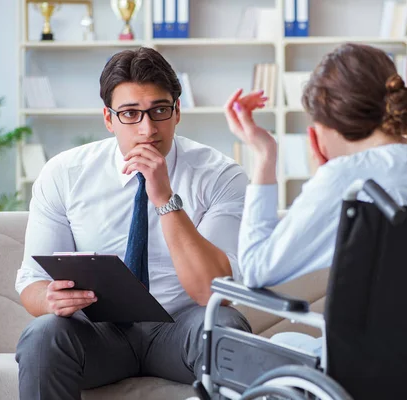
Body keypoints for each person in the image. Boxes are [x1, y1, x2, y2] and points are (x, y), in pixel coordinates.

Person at [14, 47, 252, 400]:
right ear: (108, 119)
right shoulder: (65, 174)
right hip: (98, 333)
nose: (147, 129)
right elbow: (31, 284)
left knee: (225, 330)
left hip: (182, 328)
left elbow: (212, 292)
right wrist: (51, 300)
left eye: (159, 110)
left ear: (177, 112)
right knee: (42, 335)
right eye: (130, 114)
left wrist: (163, 196)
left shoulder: (220, 176)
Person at [224, 43, 407, 354]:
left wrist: (264, 155)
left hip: (373, 364)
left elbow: (256, 269)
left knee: (270, 347)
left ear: (327, 124)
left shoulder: (345, 179)